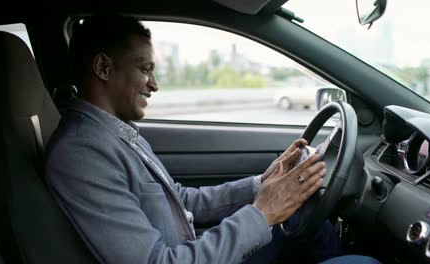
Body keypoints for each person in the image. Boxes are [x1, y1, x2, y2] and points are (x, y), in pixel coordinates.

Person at [44, 14, 380, 264]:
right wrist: (262, 214)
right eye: (145, 69)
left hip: (196, 249)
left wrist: (261, 185)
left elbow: (180, 200)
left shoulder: (113, 132)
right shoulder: (82, 152)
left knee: (306, 221)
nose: (154, 84)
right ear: (103, 67)